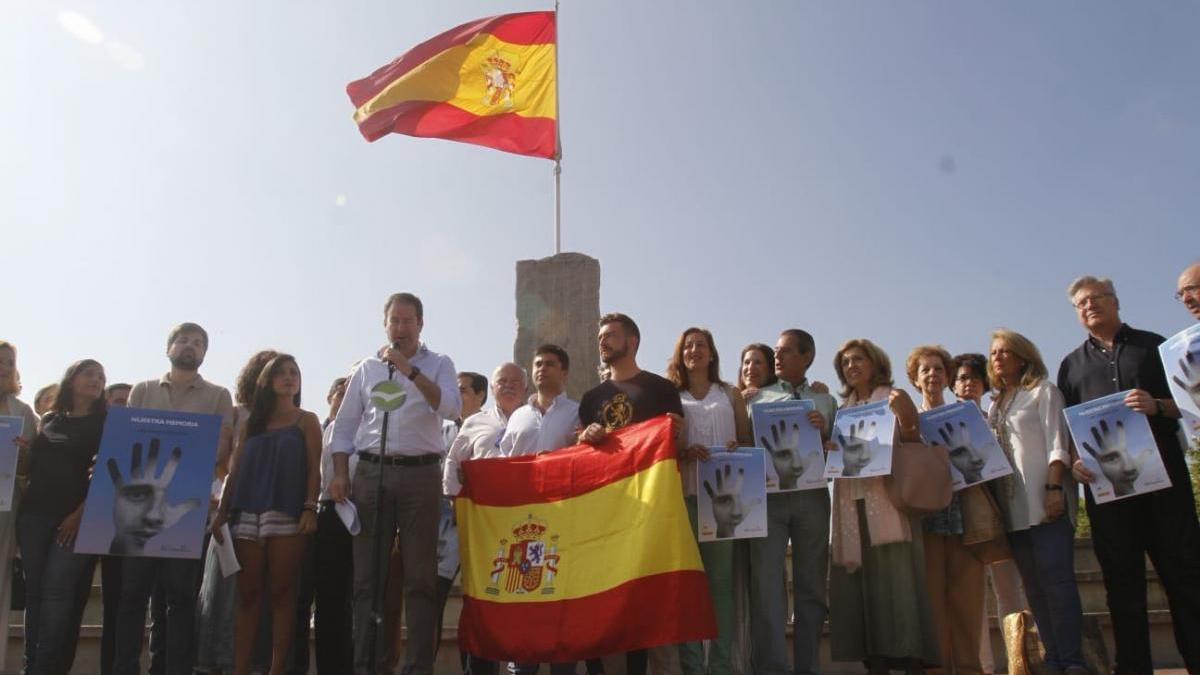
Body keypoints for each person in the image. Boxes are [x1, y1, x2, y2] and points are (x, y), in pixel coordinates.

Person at [1058, 276, 1200, 673]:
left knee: (1186, 577)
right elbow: (1068, 431)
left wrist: (1157, 405)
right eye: (1081, 303)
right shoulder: (1070, 366)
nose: (1089, 307)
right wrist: (1075, 463)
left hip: (1166, 485)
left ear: (1115, 301)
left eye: (1096, 299)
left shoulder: (1156, 346)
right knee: (1122, 588)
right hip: (1109, 495)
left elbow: (1190, 407)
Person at [327, 292, 461, 675]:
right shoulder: (368, 369)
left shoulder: (439, 364)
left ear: (421, 324)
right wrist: (340, 472)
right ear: (385, 324)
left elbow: (451, 408)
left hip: (421, 475)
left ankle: (417, 667)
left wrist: (411, 372)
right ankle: (367, 664)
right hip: (371, 473)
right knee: (368, 579)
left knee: (419, 579)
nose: (401, 328)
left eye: (408, 321)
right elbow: (345, 425)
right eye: (394, 321)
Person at [113, 322, 235, 675]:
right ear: (169, 348)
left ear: (204, 353)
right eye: (183, 340)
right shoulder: (143, 390)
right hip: (139, 508)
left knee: (180, 598)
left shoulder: (218, 395)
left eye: (198, 343)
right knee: (133, 595)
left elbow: (222, 446)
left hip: (186, 506)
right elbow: (129, 441)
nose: (190, 347)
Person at [577, 313, 684, 675]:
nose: (603, 341)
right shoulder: (591, 397)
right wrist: (586, 436)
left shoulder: (660, 389)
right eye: (601, 336)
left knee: (648, 602)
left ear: (633, 341)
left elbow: (675, 438)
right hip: (607, 511)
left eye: (611, 335)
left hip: (650, 509)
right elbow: (581, 452)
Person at [827, 339, 937, 674]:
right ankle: (874, 659)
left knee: (897, 583)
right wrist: (832, 446)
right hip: (850, 503)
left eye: (858, 359)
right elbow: (838, 457)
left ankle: (909, 658)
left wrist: (905, 417)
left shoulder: (892, 398)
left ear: (875, 363)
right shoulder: (842, 408)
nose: (851, 366)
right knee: (861, 588)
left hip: (890, 503)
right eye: (845, 362)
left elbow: (916, 442)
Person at [211, 354, 321, 675]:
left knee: (282, 593)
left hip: (287, 512)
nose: (289, 378)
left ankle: (276, 669)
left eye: (294, 373)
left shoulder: (307, 420)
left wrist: (309, 507)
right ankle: (240, 669)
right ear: (267, 381)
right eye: (281, 373)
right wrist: (223, 512)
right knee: (248, 595)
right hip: (247, 513)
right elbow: (235, 470)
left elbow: (314, 468)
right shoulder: (252, 424)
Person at [987, 329, 1084, 674]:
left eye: (1005, 352)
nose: (998, 357)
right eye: (994, 352)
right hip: (1013, 511)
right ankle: (1053, 658)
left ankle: (1072, 661)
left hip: (1045, 503)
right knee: (1034, 588)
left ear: (1023, 356)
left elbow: (1058, 441)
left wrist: (1055, 488)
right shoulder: (996, 403)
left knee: (1058, 584)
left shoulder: (1043, 392)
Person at [746, 330, 835, 675]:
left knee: (811, 586)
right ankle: (771, 667)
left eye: (785, 352)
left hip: (813, 498)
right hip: (767, 500)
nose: (777, 357)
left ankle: (808, 667)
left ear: (807, 356)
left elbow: (839, 451)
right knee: (767, 585)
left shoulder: (825, 401)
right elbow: (741, 443)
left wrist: (824, 434)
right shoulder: (756, 399)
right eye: (776, 352)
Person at [666, 327, 751, 675]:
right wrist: (684, 452)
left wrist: (736, 449)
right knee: (688, 587)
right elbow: (663, 447)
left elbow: (747, 442)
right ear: (680, 354)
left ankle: (719, 666)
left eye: (701, 345)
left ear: (712, 353)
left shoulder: (730, 393)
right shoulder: (672, 395)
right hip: (685, 496)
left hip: (725, 502)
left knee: (720, 586)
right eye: (688, 346)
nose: (695, 350)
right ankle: (691, 666)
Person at [16, 359, 106, 675]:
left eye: (100, 376)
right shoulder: (50, 418)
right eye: (89, 373)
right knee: (36, 594)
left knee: (57, 594)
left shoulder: (106, 423)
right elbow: (30, 468)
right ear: (72, 379)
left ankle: (45, 669)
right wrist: (22, 452)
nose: (96, 379)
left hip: (75, 520)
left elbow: (105, 477)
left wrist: (79, 515)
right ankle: (32, 666)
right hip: (34, 516)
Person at [196, 349, 278, 675]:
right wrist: (220, 496)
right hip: (230, 512)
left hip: (271, 517)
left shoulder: (293, 417)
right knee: (225, 595)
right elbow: (219, 459)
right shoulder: (235, 413)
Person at [444, 362, 528, 675]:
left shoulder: (535, 419)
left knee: (522, 599)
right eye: (502, 381)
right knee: (482, 603)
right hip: (483, 526)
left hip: (525, 526)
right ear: (492, 388)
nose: (508, 386)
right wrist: (457, 506)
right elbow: (453, 464)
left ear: (525, 388)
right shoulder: (475, 422)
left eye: (515, 382)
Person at [908, 345, 985, 675]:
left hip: (965, 514)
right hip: (926, 519)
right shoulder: (908, 422)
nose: (933, 375)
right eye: (925, 370)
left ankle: (968, 667)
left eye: (939, 369)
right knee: (932, 602)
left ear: (948, 376)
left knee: (968, 600)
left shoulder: (967, 416)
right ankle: (937, 668)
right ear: (915, 379)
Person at [951, 353, 1026, 674]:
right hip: (960, 519)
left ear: (984, 384)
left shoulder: (997, 418)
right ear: (953, 385)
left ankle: (1020, 663)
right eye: (962, 379)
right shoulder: (942, 423)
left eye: (973, 379)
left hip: (998, 515)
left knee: (1011, 594)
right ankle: (982, 666)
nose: (967, 384)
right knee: (972, 603)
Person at [0, 341, 36, 671]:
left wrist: (24, 455)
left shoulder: (23, 412)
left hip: (4, 512)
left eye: (9, 361)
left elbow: (32, 469)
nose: (4, 366)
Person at [499, 345, 580, 458]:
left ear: (564, 373)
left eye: (549, 364)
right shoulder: (518, 415)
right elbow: (504, 459)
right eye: (538, 364)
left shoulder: (576, 413)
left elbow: (583, 454)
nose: (542, 368)